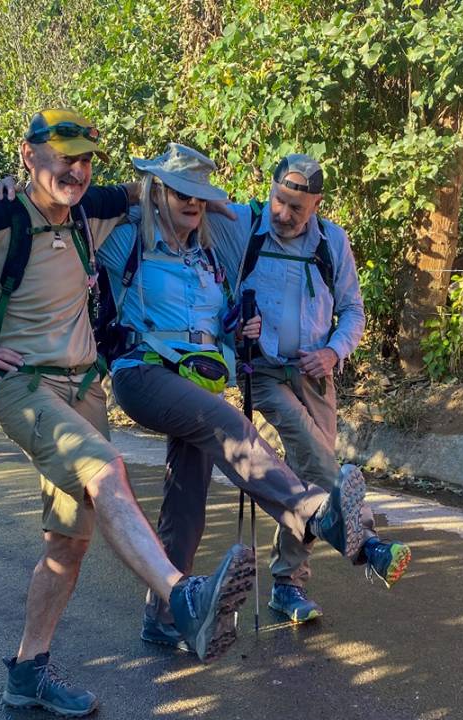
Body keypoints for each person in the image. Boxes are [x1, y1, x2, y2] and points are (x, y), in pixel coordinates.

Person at [0, 110, 266, 718]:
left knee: (68, 544)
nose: (77, 170)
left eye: (85, 158)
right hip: (21, 386)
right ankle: (183, 600)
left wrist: (204, 197)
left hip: (84, 387)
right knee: (106, 469)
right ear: (28, 156)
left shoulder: (91, 210)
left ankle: (28, 672)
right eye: (63, 157)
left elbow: (150, 188)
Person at [93, 144, 373, 649]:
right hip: (144, 374)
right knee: (227, 424)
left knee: (186, 504)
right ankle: (314, 512)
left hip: (204, 381)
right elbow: (66, 211)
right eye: (180, 191)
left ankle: (163, 614)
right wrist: (13, 192)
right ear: (157, 190)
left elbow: (225, 319)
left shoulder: (210, 253)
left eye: (201, 194)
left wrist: (239, 331)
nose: (193, 202)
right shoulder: (124, 238)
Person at [203, 154, 411, 624]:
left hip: (316, 374)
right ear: (270, 189)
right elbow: (184, 211)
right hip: (265, 372)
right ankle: (369, 544)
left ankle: (287, 585)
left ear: (316, 204)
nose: (283, 213)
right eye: (279, 200)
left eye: (297, 207)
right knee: (316, 456)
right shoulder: (242, 223)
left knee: (310, 478)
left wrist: (334, 352)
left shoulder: (333, 243)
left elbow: (353, 312)